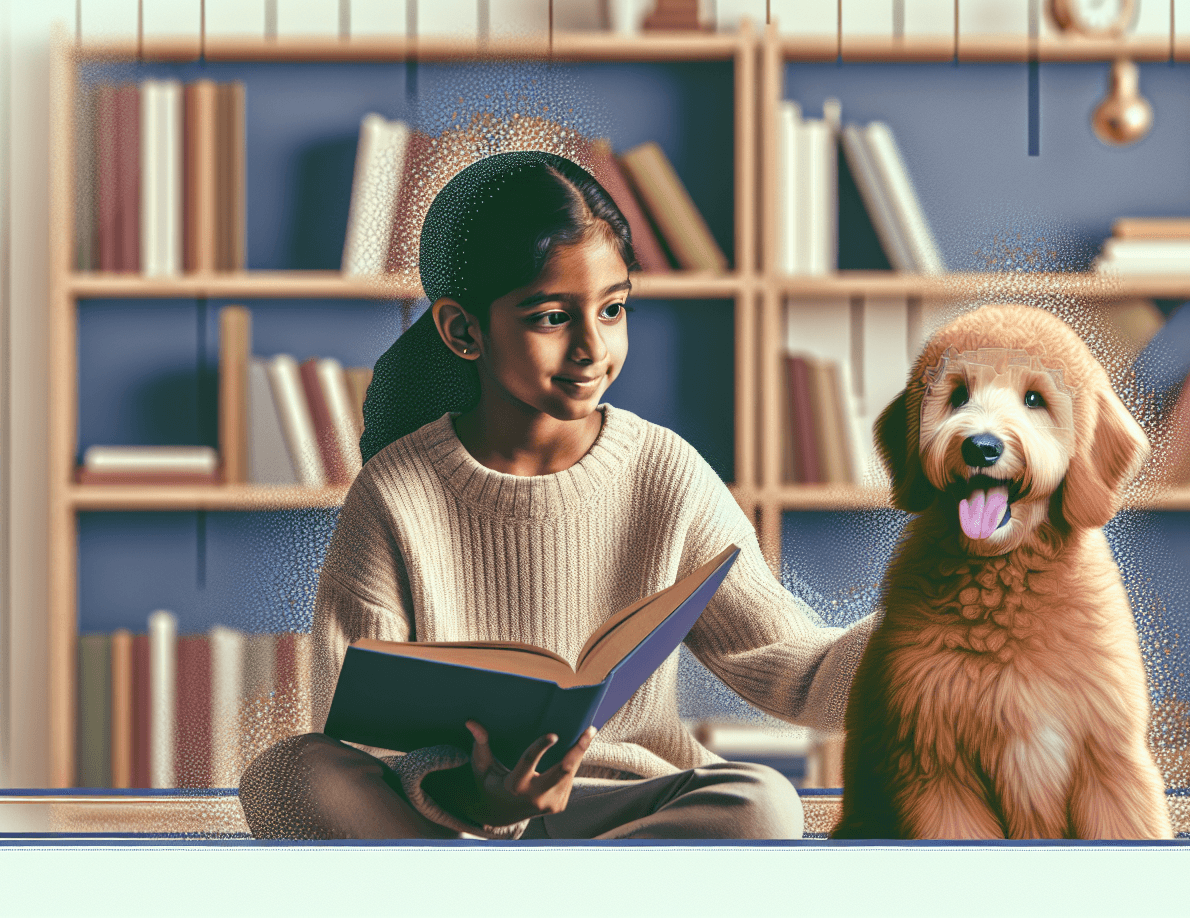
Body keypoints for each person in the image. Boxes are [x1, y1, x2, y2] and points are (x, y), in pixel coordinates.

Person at [238, 149, 874, 840]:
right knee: (289, 778)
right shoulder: (396, 492)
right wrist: (479, 797)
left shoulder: (666, 472)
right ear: (463, 330)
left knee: (762, 803)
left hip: (619, 807)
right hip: (448, 821)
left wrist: (953, 615)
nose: (591, 349)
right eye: (550, 317)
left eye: (613, 309)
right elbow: (359, 728)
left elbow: (800, 672)